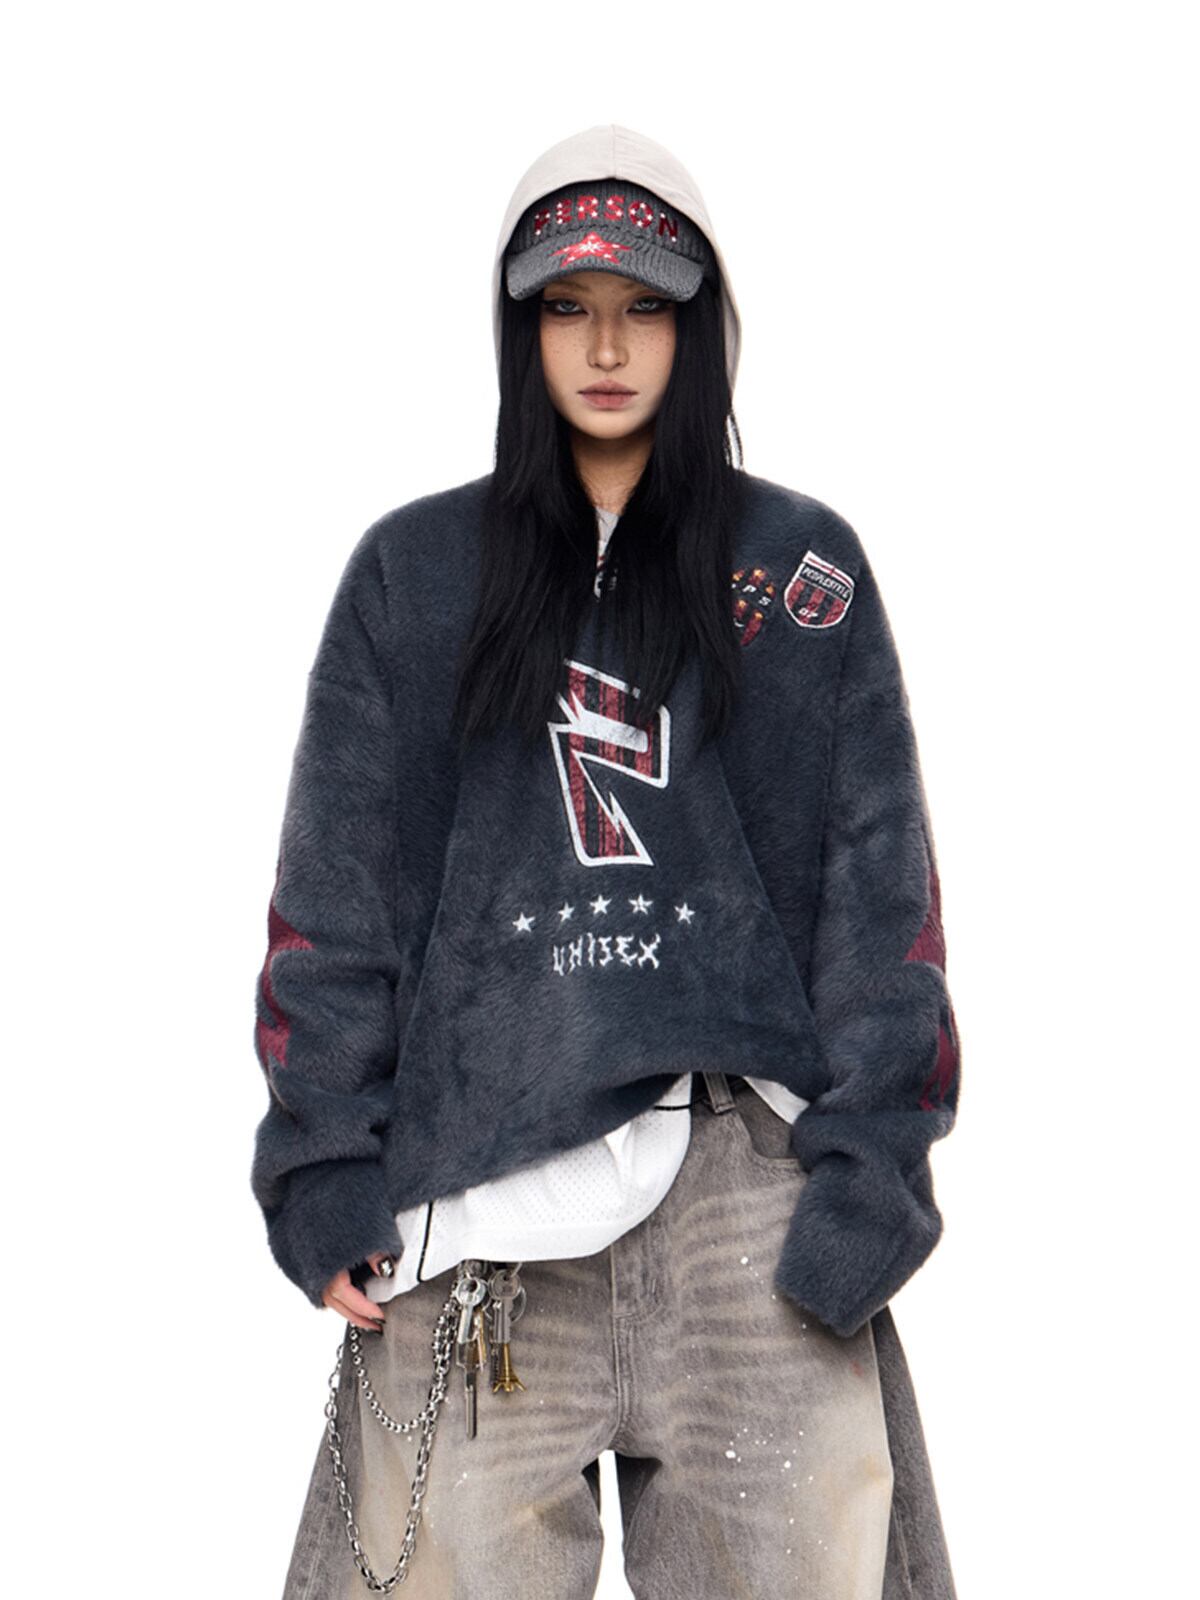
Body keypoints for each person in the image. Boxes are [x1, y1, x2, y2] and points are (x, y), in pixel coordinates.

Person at [251, 123, 962, 1599]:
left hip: (748, 1210)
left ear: (702, 327)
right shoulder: (415, 575)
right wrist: (324, 1168)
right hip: (480, 1206)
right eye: (567, 307)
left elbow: (880, 901)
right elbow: (334, 901)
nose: (608, 347)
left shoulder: (802, 571)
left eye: (646, 305)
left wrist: (866, 1191)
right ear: (519, 331)